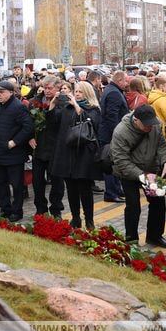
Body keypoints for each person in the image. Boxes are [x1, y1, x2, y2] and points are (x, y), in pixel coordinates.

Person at [111, 105, 166, 247]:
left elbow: (162, 145)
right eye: (146, 124)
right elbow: (121, 161)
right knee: (133, 206)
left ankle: (155, 237)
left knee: (158, 203)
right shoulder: (121, 132)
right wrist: (143, 176)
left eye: (152, 123)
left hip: (151, 170)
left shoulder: (154, 125)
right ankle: (131, 239)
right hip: (128, 173)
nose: (150, 126)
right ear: (136, 120)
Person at [49, 82, 102, 229]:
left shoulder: (93, 109)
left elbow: (92, 123)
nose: (77, 94)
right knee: (71, 189)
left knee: (85, 189)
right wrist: (52, 105)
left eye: (80, 92)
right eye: (76, 91)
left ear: (87, 93)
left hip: (84, 154)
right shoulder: (67, 108)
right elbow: (54, 123)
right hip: (68, 153)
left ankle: (89, 220)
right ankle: (75, 218)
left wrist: (77, 107)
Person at [0, 80, 34, 222]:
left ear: (11, 93)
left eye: (2, 92)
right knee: (0, 184)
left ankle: (17, 211)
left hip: (14, 154)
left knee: (16, 185)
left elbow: (28, 127)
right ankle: (4, 209)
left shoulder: (18, 107)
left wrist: (14, 142)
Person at [29, 78, 65, 217]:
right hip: (39, 147)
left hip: (56, 148)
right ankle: (40, 208)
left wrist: (53, 105)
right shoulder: (34, 102)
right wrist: (30, 137)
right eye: (45, 88)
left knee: (57, 182)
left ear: (58, 88)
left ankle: (56, 209)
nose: (47, 90)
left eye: (50, 88)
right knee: (37, 182)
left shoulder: (63, 102)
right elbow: (28, 122)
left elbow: (57, 121)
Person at [98, 71, 128, 203]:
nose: (127, 83)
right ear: (120, 80)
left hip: (110, 134)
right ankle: (110, 193)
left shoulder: (111, 90)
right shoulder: (114, 93)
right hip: (111, 135)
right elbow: (112, 117)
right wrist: (117, 135)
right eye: (126, 81)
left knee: (115, 162)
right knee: (110, 163)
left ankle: (116, 189)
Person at [147, 74, 166, 139]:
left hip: (156, 130)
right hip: (163, 133)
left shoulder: (153, 95)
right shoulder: (163, 99)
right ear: (162, 86)